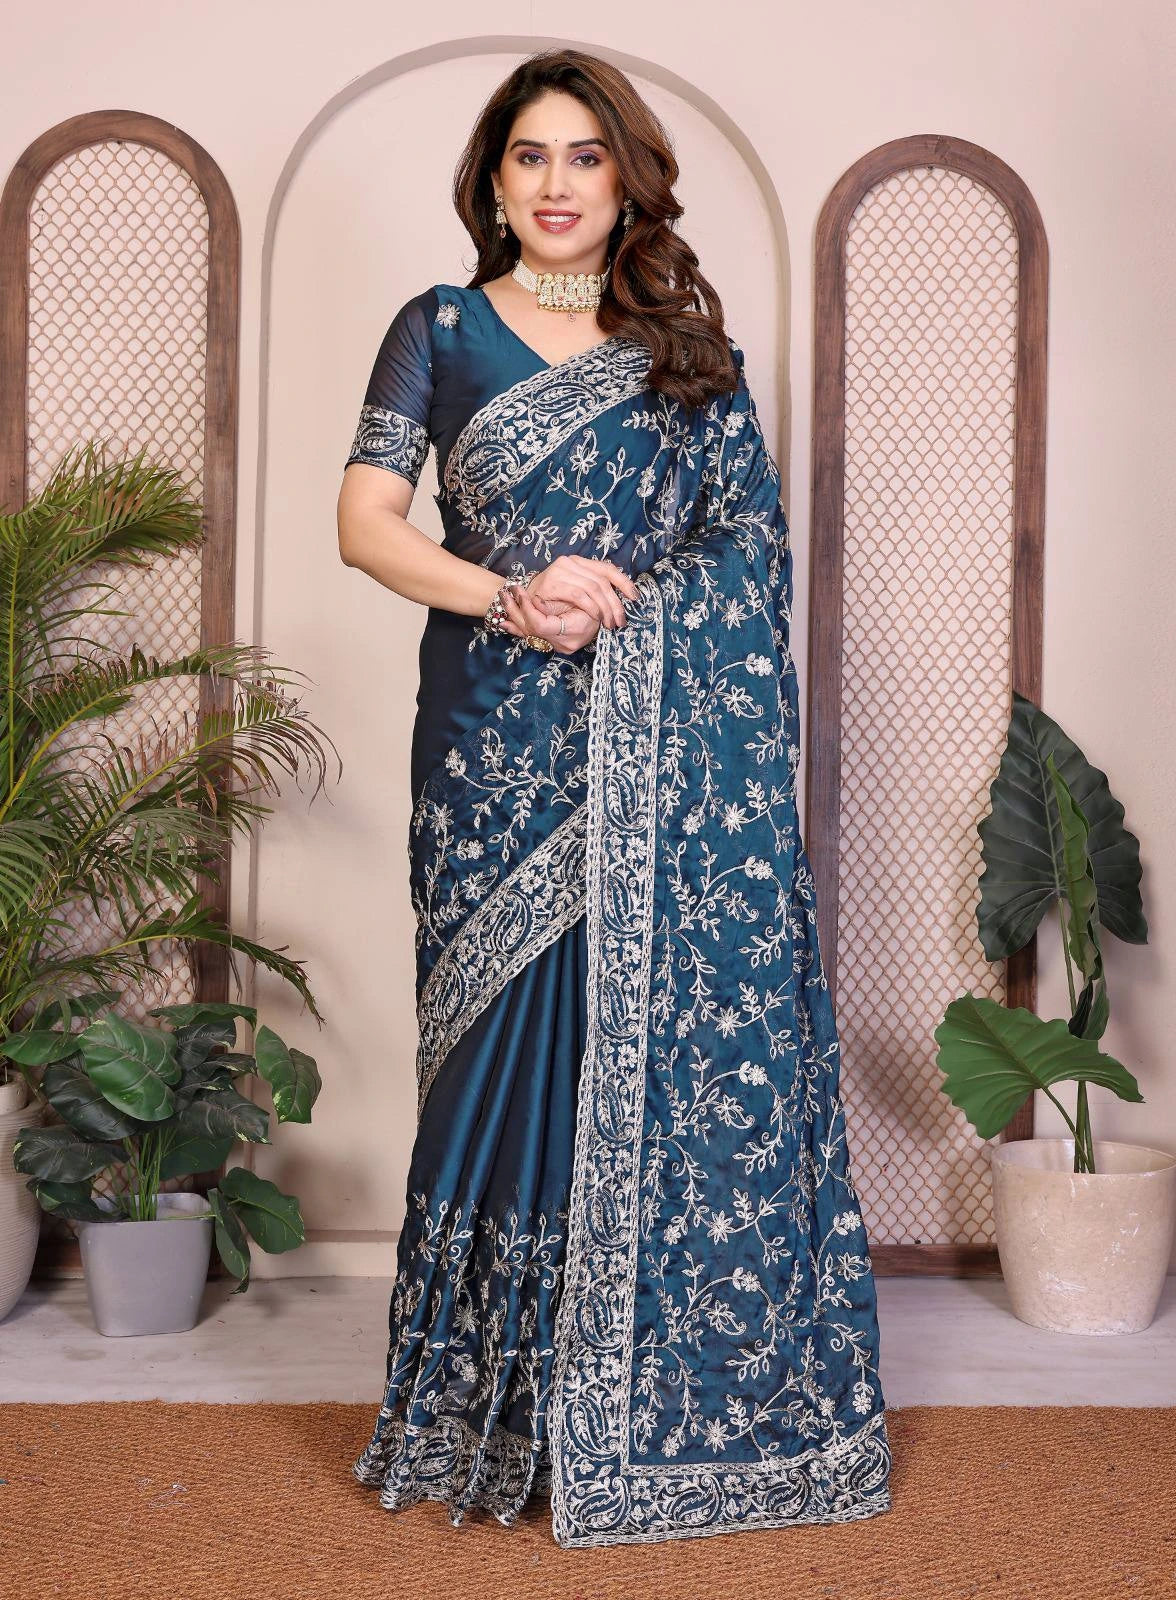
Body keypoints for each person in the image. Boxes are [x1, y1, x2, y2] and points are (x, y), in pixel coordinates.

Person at [336, 48, 893, 1551]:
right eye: (531, 156)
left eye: (587, 157)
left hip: (651, 752)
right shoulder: (439, 329)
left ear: (627, 179)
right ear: (493, 181)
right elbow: (365, 522)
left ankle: (646, 1406)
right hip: (493, 750)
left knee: (630, 1052)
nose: (560, 184)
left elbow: (748, 553)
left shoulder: (683, 352)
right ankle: (484, 1416)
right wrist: (510, 593)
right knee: (496, 1058)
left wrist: (633, 603)